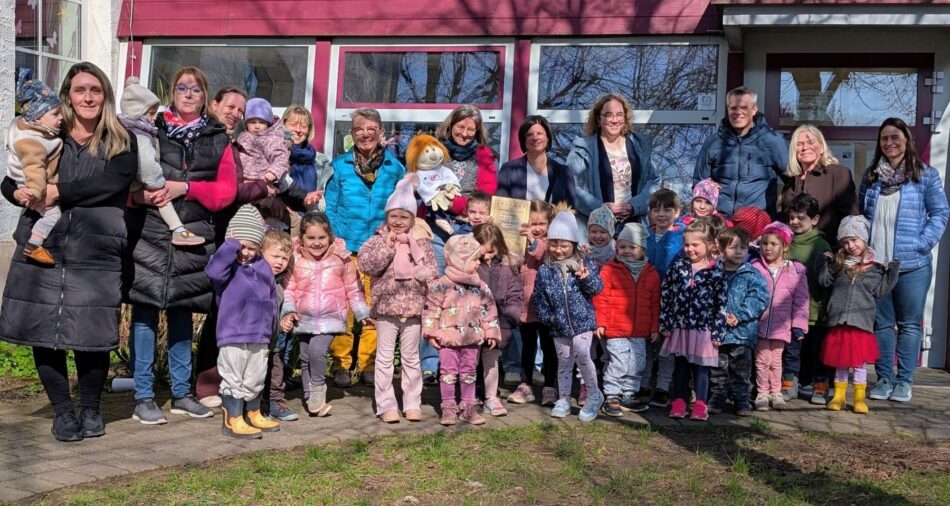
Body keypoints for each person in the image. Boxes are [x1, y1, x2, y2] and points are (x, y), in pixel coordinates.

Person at [0, 62, 137, 441]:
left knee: (91, 332)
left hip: (96, 247)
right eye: (80, 90)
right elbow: (9, 178)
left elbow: (114, 182)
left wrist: (60, 192)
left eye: (95, 89)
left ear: (104, 94)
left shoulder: (120, 138)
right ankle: (63, 412)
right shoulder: (44, 133)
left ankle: (91, 409)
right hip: (41, 243)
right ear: (68, 96)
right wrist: (17, 193)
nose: (88, 97)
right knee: (44, 331)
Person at [126, 66, 237, 424]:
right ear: (172, 93)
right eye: (181, 88)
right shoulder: (149, 129)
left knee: (181, 314)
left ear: (206, 97)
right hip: (151, 233)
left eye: (196, 89)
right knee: (144, 313)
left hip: (193, 235)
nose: (188, 94)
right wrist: (140, 196)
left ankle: (180, 394)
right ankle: (143, 397)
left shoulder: (218, 138)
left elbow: (226, 192)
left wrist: (186, 188)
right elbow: (125, 177)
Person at [862, 118, 949, 403]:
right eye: (884, 138)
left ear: (907, 139)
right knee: (882, 325)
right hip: (877, 264)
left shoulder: (925, 175)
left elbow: (940, 214)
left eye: (895, 137)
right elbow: (863, 213)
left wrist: (921, 243)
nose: (889, 143)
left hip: (912, 264)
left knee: (910, 325)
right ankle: (885, 378)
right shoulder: (871, 175)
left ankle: (904, 381)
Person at [324, 107, 406, 388]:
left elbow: (402, 208)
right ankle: (341, 365)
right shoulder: (339, 166)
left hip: (380, 248)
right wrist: (336, 242)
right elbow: (331, 207)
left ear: (381, 133)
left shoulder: (395, 168)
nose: (365, 134)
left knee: (375, 308)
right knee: (344, 308)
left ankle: (370, 364)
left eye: (371, 129)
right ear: (352, 134)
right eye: (359, 129)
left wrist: (392, 236)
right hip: (346, 246)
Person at [358, 177, 439, 423]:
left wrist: (423, 274)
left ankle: (413, 403)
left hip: (413, 308)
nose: (398, 222)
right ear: (387, 216)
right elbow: (367, 265)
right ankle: (386, 405)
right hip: (386, 308)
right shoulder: (377, 240)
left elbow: (432, 273)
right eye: (394, 216)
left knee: (411, 357)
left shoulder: (422, 243)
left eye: (404, 217)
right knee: (383, 359)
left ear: (413, 219)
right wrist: (388, 247)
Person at [283, 212, 372, 417]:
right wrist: (288, 310)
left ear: (330, 237)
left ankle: (317, 389)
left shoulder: (342, 258)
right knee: (305, 357)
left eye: (321, 238)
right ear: (301, 238)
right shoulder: (295, 259)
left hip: (330, 317)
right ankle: (310, 397)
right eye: (311, 238)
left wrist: (361, 312)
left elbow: (354, 289)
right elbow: (288, 289)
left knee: (317, 351)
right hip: (303, 317)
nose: (316, 243)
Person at [205, 205, 281, 439]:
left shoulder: (263, 267)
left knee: (255, 375)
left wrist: (271, 328)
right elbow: (213, 272)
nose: (246, 252)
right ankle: (232, 418)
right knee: (234, 376)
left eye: (252, 247)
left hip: (258, 334)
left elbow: (270, 297)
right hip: (233, 333)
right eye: (242, 246)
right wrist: (230, 246)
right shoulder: (226, 267)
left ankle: (254, 411)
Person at [817, 216, 899, 414]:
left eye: (854, 240)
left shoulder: (874, 269)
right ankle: (839, 396)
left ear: (864, 239)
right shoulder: (839, 264)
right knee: (841, 363)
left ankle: (860, 398)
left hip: (860, 324)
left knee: (859, 364)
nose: (850, 245)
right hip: (839, 323)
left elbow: (880, 291)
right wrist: (822, 261)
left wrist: (892, 271)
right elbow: (824, 282)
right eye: (845, 241)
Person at [531, 211, 605, 422]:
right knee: (564, 362)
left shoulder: (585, 264)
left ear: (573, 243)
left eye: (564, 245)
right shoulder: (546, 270)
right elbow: (539, 297)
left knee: (583, 354)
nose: (558, 250)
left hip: (582, 322)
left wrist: (586, 278)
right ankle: (563, 397)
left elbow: (596, 289)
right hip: (559, 325)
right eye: (554, 244)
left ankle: (593, 395)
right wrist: (549, 318)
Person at [423, 234, 502, 426]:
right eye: (474, 259)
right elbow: (431, 309)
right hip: (448, 340)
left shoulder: (480, 286)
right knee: (448, 374)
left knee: (469, 373)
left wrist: (491, 331)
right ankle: (448, 407)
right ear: (460, 260)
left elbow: (489, 310)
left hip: (471, 339)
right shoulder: (441, 285)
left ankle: (468, 407)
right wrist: (430, 332)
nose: (478, 263)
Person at [118, 77, 204, 247]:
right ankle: (178, 229)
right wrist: (158, 183)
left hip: (130, 182)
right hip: (137, 182)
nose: (153, 118)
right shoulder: (140, 134)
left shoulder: (126, 129)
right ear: (138, 112)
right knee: (162, 196)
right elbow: (146, 164)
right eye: (150, 113)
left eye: (196, 90)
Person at [659, 220, 727, 421]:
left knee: (701, 369)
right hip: (680, 327)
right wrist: (665, 322)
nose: (690, 249)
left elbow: (721, 303)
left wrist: (718, 331)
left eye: (695, 244)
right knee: (680, 366)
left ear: (710, 245)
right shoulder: (678, 267)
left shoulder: (716, 272)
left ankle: (700, 405)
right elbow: (667, 295)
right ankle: (678, 402)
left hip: (704, 330)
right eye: (686, 244)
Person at [566, 94, 660, 232]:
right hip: (596, 230)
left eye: (619, 115)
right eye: (609, 115)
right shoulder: (583, 149)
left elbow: (654, 181)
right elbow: (570, 186)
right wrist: (600, 208)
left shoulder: (640, 147)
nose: (614, 120)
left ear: (625, 118)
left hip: (634, 229)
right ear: (599, 119)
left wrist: (634, 206)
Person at [593, 222, 660, 416]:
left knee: (637, 362)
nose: (627, 251)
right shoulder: (610, 270)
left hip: (639, 329)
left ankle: (629, 393)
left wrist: (654, 327)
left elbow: (655, 303)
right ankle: (612, 394)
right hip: (615, 327)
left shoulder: (651, 273)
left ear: (642, 249)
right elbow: (601, 298)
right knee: (619, 361)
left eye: (632, 247)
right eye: (622, 247)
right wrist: (601, 322)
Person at [694, 86, 789, 217]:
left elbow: (792, 180)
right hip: (720, 223)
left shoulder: (773, 141)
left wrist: (783, 214)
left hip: (757, 224)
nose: (738, 112)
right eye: (733, 108)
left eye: (744, 108)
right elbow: (699, 183)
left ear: (754, 110)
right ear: (728, 109)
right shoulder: (713, 142)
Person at [710, 227, 769, 417]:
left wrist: (739, 315)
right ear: (721, 249)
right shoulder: (713, 272)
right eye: (732, 247)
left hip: (743, 333)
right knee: (718, 368)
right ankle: (718, 396)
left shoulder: (751, 274)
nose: (738, 252)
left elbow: (760, 299)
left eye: (742, 248)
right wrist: (719, 316)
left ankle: (741, 399)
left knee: (740, 369)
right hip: (718, 333)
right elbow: (707, 298)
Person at [751, 222, 809, 411]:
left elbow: (801, 300)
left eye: (773, 244)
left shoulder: (795, 270)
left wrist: (799, 325)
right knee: (761, 360)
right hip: (760, 324)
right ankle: (762, 393)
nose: (767, 248)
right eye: (764, 243)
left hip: (782, 325)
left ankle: (776, 392)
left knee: (776, 361)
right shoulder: (755, 267)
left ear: (785, 247)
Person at [5, 79, 64, 265]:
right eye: (55, 114)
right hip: (32, 187)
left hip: (27, 185)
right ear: (38, 118)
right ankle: (34, 244)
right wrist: (36, 193)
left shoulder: (35, 130)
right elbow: (34, 169)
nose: (61, 117)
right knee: (53, 214)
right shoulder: (33, 142)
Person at [507, 200, 559, 407]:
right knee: (527, 347)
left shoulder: (552, 243)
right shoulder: (521, 242)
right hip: (526, 304)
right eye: (532, 224)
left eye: (541, 224)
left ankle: (549, 386)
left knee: (549, 347)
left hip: (547, 305)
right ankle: (525, 383)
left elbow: (545, 256)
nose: (536, 229)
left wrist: (531, 242)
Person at [786, 193, 834, 405]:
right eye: (792, 217)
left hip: (814, 310)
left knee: (816, 353)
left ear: (814, 220)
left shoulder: (821, 245)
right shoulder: (785, 242)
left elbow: (824, 282)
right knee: (794, 352)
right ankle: (794, 383)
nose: (795, 222)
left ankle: (820, 388)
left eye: (801, 218)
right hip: (790, 311)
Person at [474, 223, 524, 417]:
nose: (487, 256)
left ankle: (491, 396)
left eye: (491, 252)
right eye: (483, 252)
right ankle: (473, 394)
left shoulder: (507, 266)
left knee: (491, 361)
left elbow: (515, 294)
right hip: (474, 322)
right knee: (472, 361)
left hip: (499, 322)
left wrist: (511, 319)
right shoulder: (470, 266)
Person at [780, 124, 858, 243]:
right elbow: (785, 219)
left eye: (810, 142)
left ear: (821, 147)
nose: (805, 147)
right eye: (799, 144)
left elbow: (851, 219)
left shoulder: (838, 174)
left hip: (828, 251)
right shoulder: (791, 181)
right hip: (793, 253)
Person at [642, 188, 683, 408]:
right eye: (656, 209)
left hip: (671, 299)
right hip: (646, 297)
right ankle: (644, 383)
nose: (661, 214)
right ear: (650, 213)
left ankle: (662, 386)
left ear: (677, 213)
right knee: (647, 341)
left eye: (667, 209)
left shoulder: (682, 237)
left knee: (667, 345)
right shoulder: (644, 235)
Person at [496, 115, 575, 207]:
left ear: (548, 137)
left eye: (540, 133)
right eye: (529, 134)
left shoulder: (563, 172)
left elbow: (570, 210)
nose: (535, 138)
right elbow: (501, 208)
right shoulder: (509, 170)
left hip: (554, 221)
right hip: (519, 221)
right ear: (523, 140)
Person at [260, 230, 298, 422]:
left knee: (276, 371)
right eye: (275, 256)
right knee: (255, 374)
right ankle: (254, 405)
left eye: (285, 258)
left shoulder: (280, 286)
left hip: (274, 341)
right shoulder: (253, 278)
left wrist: (284, 319)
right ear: (261, 252)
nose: (280, 262)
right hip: (254, 341)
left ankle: (275, 401)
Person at [235, 97, 289, 184]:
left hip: (262, 178)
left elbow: (281, 157)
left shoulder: (271, 139)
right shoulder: (241, 136)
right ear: (246, 123)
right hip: (242, 177)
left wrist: (273, 172)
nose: (257, 126)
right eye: (252, 122)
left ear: (268, 123)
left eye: (262, 122)